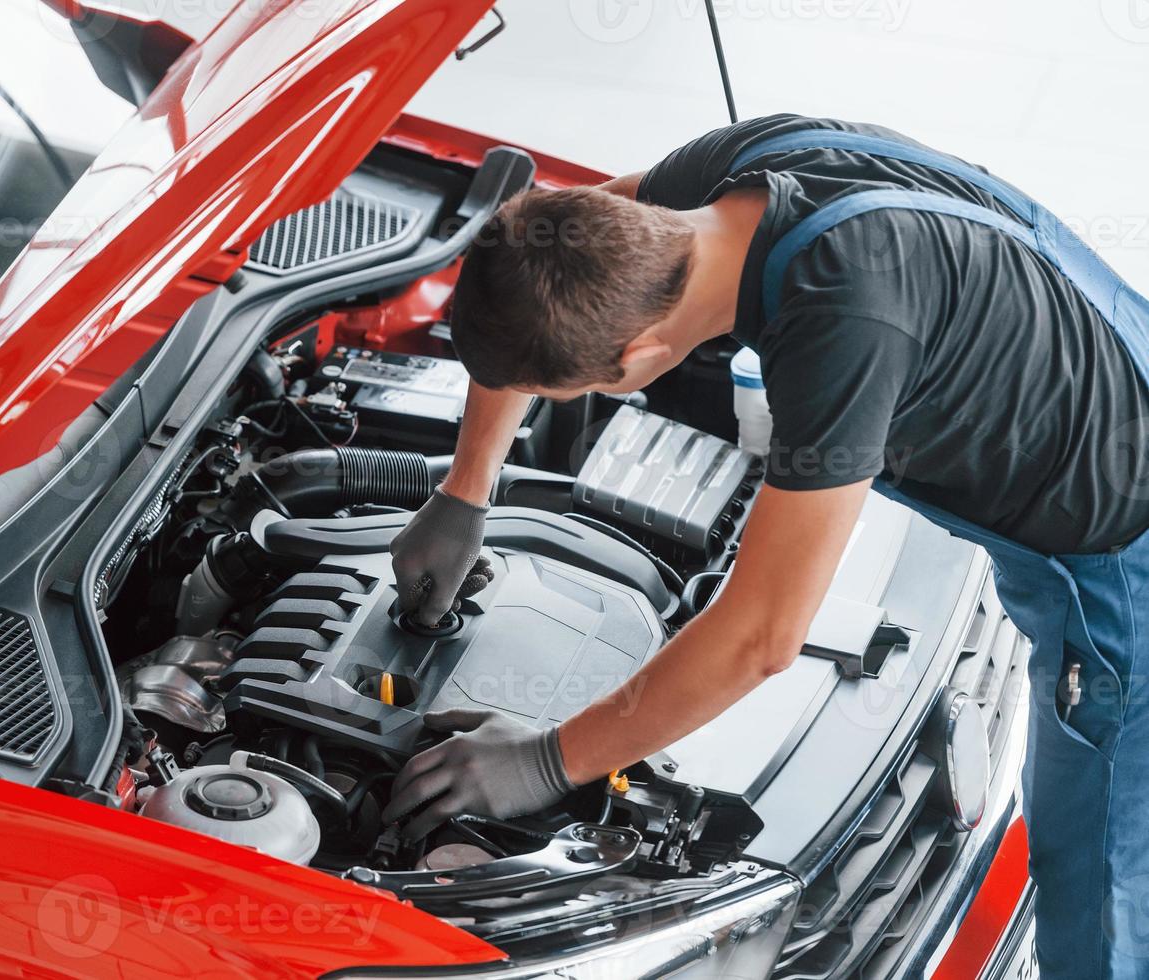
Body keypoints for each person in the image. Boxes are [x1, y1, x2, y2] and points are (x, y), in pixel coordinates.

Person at [382, 114, 1149, 979]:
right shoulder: (726, 176)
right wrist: (465, 487)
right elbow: (534, 249)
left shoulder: (844, 324)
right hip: (1098, 358)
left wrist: (547, 761)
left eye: (573, 392)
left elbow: (760, 638)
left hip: (1124, 571)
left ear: (638, 358)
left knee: (1102, 893)